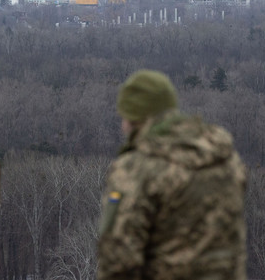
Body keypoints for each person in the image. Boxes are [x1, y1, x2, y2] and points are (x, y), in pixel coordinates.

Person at [97, 69, 247, 280]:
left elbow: (118, 261)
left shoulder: (137, 170)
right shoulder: (225, 159)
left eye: (126, 117)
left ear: (137, 119)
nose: (123, 126)